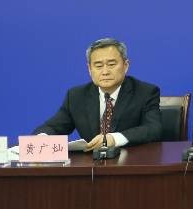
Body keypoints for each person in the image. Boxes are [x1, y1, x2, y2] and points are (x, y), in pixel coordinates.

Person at [33, 38, 162, 150]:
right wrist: (43, 138)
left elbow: (153, 128)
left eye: (111, 64)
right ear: (89, 69)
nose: (105, 72)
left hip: (132, 163)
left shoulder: (145, 92)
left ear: (126, 65)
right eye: (98, 66)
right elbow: (52, 127)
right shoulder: (76, 96)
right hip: (90, 166)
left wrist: (114, 138)